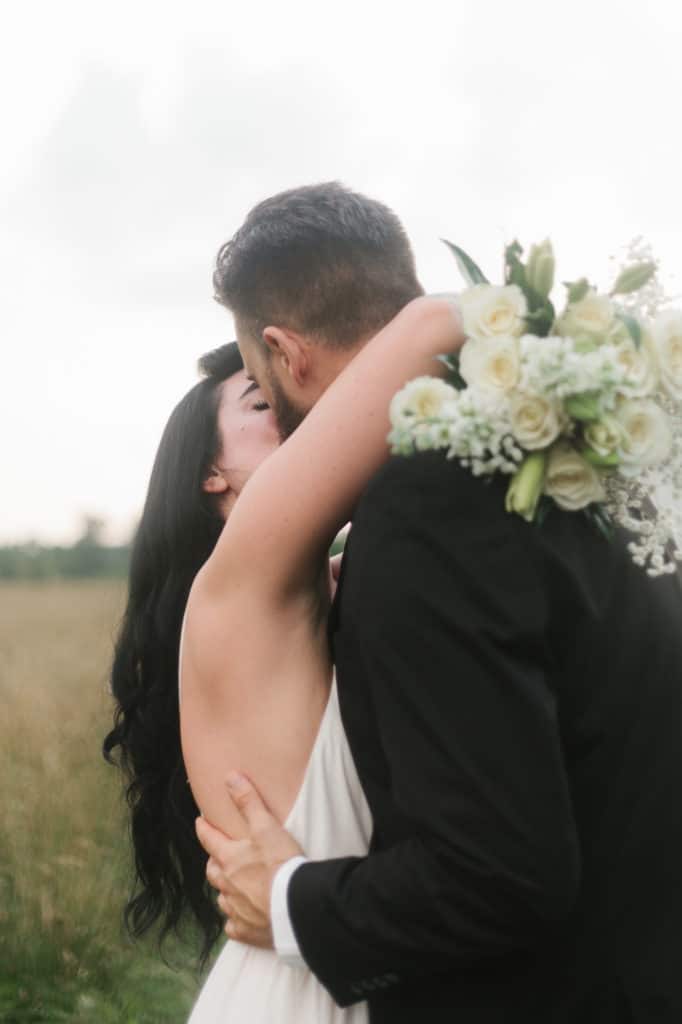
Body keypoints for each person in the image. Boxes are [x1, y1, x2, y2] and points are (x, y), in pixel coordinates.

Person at [197, 181, 682, 1023]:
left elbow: (498, 867)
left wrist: (291, 902)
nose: (274, 415)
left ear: (285, 350)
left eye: (256, 380)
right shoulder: (571, 461)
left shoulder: (429, 507)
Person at [104, 288, 465, 1020]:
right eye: (262, 405)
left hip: (341, 963)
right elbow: (440, 320)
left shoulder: (321, 591)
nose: (302, 412)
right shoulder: (241, 583)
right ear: (212, 475)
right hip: (308, 991)